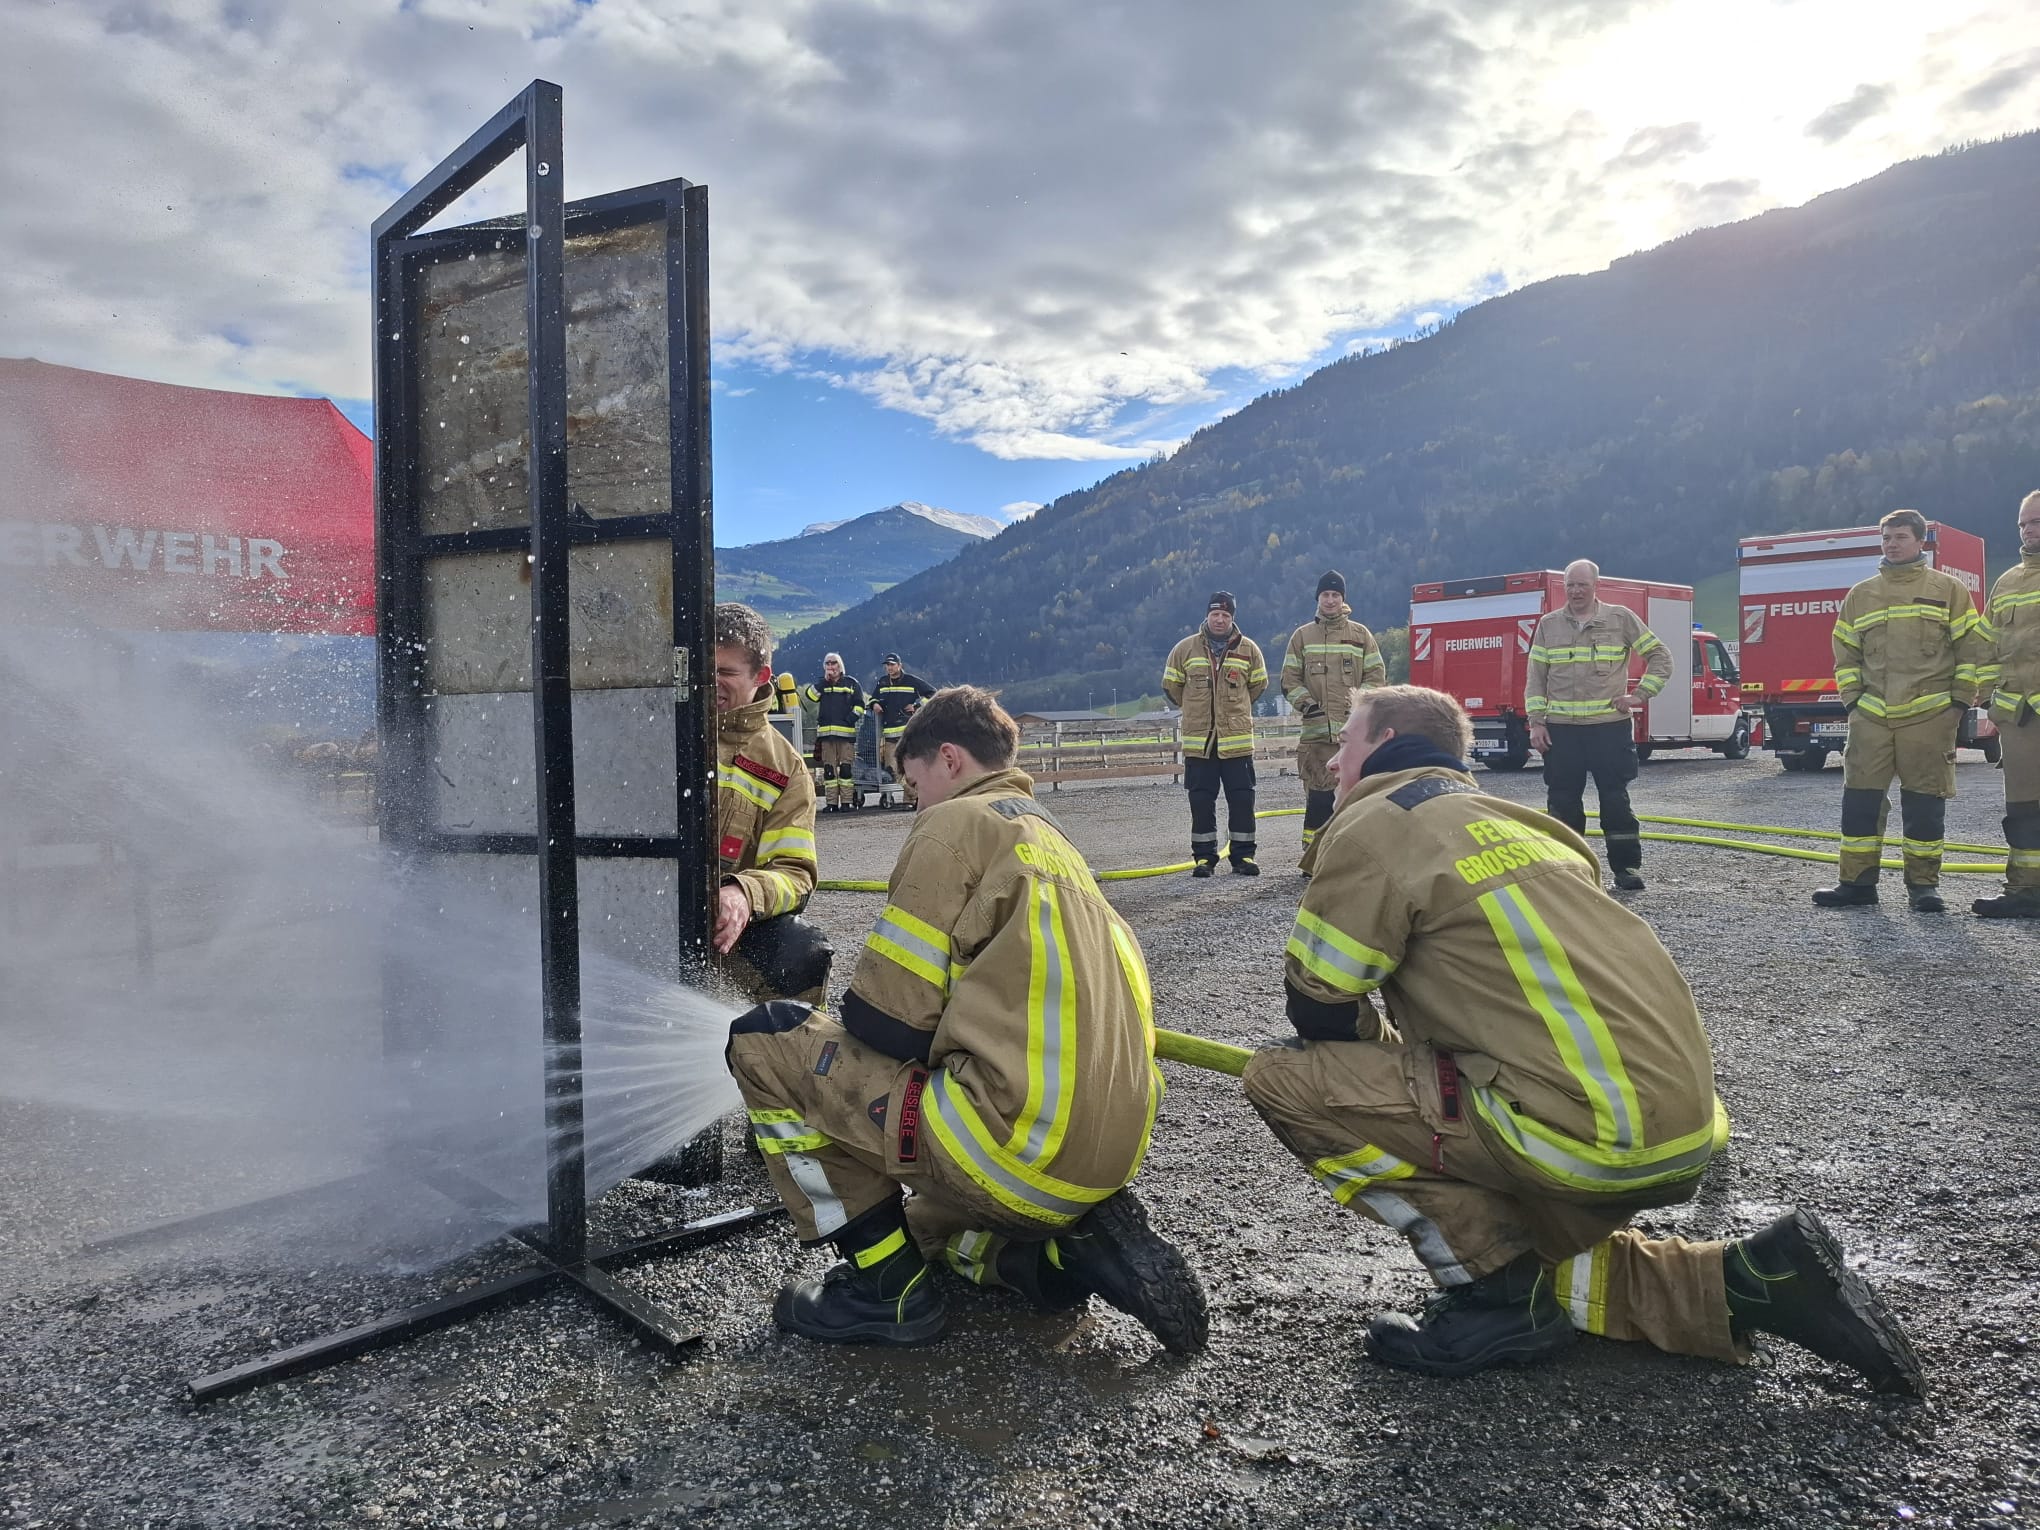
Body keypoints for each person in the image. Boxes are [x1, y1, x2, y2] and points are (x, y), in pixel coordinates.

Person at [1240, 684, 1925, 1397]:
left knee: (1286, 1079)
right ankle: (1752, 1282)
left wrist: (1402, 1077)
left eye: (1345, 742)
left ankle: (1496, 1301)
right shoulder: (1522, 823)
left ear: (1382, 745)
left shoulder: (1375, 825)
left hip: (1580, 1136)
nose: (1331, 762)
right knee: (1528, 1249)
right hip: (1674, 1130)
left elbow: (1320, 1009)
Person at [723, 686, 1207, 1352]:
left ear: (948, 759)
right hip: (1101, 1159)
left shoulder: (956, 825)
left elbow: (882, 1024)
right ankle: (1065, 1262)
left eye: (913, 782)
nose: (914, 802)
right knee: (919, 1227)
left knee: (767, 1042)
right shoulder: (1049, 838)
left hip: (1007, 1150)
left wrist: (832, 1079)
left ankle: (888, 1295)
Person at [1814, 509, 1990, 913]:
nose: (1891, 544)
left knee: (1924, 805)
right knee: (1860, 802)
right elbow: (1845, 654)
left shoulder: (1948, 590)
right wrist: (1853, 703)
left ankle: (1923, 887)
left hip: (1930, 717)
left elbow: (1971, 650)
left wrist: (1959, 703)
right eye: (1886, 538)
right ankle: (1856, 883)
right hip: (1871, 719)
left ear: (1920, 541)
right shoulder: (1861, 594)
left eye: (1900, 537)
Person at [1523, 559, 1671, 892]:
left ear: (1596, 586)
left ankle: (1626, 868)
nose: (1575, 592)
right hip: (1562, 732)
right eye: (1570, 585)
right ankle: (1566, 871)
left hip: (1609, 730)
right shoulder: (1548, 625)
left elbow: (1661, 656)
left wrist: (1640, 695)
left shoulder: (1619, 619)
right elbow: (1535, 679)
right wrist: (1536, 723)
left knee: (1615, 802)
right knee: (1562, 803)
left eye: (1582, 585)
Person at [710, 604, 831, 1006]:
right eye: (703, 668)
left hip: (721, 929)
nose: (710, 683)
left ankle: (777, 1060)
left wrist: (743, 893)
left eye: (725, 672)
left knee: (802, 952)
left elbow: (794, 874)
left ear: (761, 677)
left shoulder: (785, 769)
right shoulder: (654, 727)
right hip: (634, 913)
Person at [1281, 570, 1386, 865]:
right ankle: (1314, 861)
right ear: (1318, 598)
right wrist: (1306, 704)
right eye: (1325, 595)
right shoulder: (1302, 637)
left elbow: (1376, 677)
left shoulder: (1361, 635)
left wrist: (1357, 707)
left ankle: (1353, 861)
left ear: (1343, 599)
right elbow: (1289, 679)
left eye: (1335, 595)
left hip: (1353, 737)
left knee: (1355, 796)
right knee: (1318, 798)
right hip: (1316, 736)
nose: (1330, 600)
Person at [1163, 591, 1269, 876]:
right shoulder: (1184, 650)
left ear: (1232, 618)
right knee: (1201, 801)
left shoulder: (1249, 650)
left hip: (1237, 744)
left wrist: (1231, 712)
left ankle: (1243, 857)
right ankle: (1204, 858)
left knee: (1242, 800)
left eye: (1225, 615)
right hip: (1201, 745)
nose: (1220, 620)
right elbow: (1172, 687)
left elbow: (1258, 687)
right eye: (1215, 614)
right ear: (1207, 616)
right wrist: (1197, 710)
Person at [1975, 489, 2040, 918]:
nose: (2029, 530)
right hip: (2019, 719)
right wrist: (1989, 703)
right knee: (2022, 810)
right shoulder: (2008, 582)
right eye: (2023, 523)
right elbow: (1984, 646)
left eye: (2036, 522)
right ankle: (2024, 891)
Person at [871, 652, 937, 809]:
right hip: (889, 735)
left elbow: (933, 694)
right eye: (887, 665)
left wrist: (917, 706)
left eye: (892, 664)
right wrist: (874, 704)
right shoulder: (882, 682)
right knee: (892, 770)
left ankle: (910, 800)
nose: (889, 668)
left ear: (900, 666)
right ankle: (917, 795)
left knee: (910, 768)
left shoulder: (911, 681)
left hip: (907, 734)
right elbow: (872, 698)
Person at [803, 652, 867, 812]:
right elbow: (810, 696)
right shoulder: (821, 684)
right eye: (828, 664)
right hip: (826, 736)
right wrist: (824, 681)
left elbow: (860, 705)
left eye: (834, 663)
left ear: (840, 665)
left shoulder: (851, 683)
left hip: (846, 735)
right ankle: (831, 803)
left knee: (846, 770)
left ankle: (846, 802)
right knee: (829, 771)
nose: (831, 667)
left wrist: (849, 719)